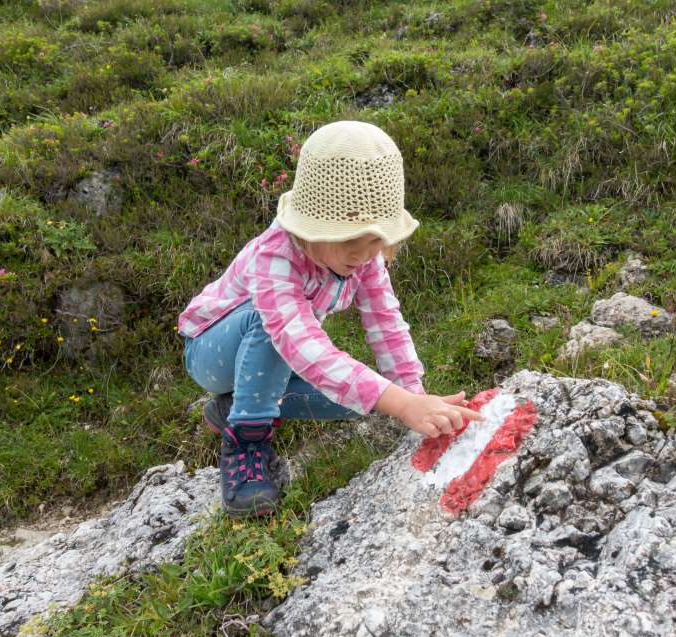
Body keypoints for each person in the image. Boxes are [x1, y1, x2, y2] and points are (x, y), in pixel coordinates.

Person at [177, 120, 485, 518]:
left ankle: (232, 408)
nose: (361, 254)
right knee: (269, 325)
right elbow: (301, 344)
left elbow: (386, 322)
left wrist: (412, 394)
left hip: (275, 358)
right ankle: (246, 442)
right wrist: (401, 402)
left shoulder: (366, 258)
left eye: (375, 241)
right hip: (210, 352)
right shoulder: (275, 258)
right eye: (348, 242)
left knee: (361, 400)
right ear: (310, 228)